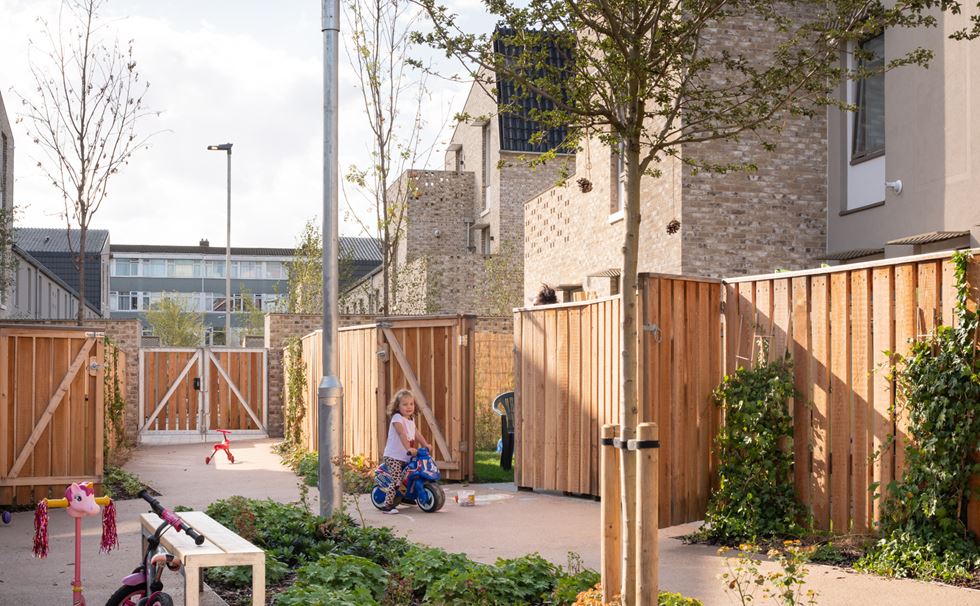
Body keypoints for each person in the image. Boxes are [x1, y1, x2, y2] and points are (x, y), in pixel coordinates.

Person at [379, 389, 431, 513]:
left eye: (411, 404)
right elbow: (401, 433)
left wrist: (426, 444)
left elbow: (417, 433)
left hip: (405, 456)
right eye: (405, 404)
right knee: (397, 478)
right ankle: (387, 505)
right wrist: (409, 448)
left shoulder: (411, 419)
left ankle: (405, 496)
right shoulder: (397, 418)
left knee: (410, 476)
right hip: (393, 456)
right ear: (398, 406)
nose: (409, 407)